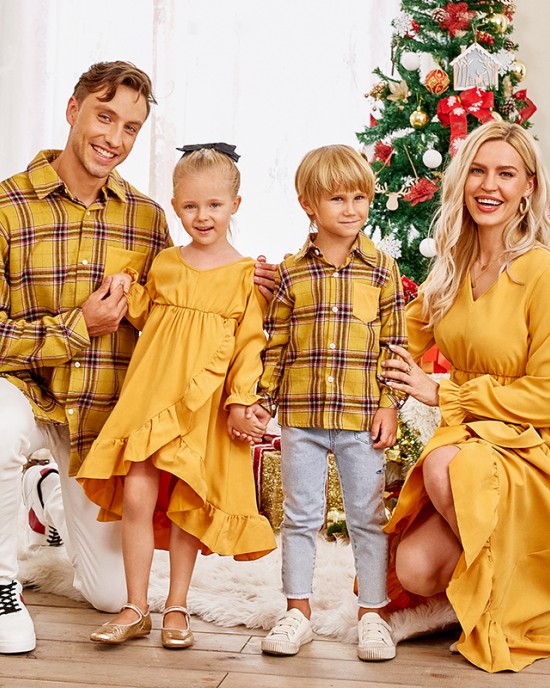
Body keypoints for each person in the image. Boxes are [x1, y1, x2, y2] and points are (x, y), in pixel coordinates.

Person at [0, 61, 276, 655]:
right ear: (73, 111)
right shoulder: (8, 208)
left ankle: (51, 496)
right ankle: (0, 584)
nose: (114, 137)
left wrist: (255, 305)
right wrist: (80, 327)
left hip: (101, 412)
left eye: (130, 127)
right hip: (25, 390)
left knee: (105, 591)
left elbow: (193, 315)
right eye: (104, 116)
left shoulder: (148, 218)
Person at [77, 144, 276, 648]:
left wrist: (240, 398)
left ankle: (177, 605)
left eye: (213, 205)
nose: (201, 216)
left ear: (235, 204)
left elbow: (252, 344)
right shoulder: (166, 263)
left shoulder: (246, 276)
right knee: (139, 495)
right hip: (152, 396)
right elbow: (152, 318)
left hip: (202, 409)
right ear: (175, 205)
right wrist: (126, 290)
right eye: (189, 206)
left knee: (187, 497)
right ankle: (135, 605)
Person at [379, 121, 550, 673]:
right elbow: (397, 337)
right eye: (478, 170)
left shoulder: (541, 271)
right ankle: (503, 580)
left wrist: (447, 392)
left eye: (506, 173)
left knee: (443, 465)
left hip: (529, 445)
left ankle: (518, 600)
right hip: (473, 439)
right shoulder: (451, 267)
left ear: (528, 187)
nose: (489, 185)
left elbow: (547, 394)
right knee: (414, 571)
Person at [257, 145, 407, 661]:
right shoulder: (292, 273)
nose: (351, 209)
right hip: (301, 415)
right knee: (300, 517)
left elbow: (395, 346)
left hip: (362, 419)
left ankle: (373, 613)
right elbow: (275, 344)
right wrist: (262, 402)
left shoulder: (383, 270)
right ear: (308, 205)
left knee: (368, 516)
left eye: (360, 197)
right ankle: (297, 611)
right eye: (338, 198)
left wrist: (390, 404)